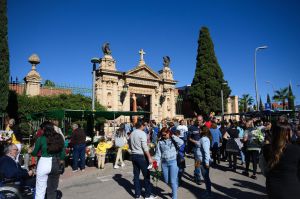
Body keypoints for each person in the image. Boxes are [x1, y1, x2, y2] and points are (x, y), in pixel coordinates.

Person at [262, 124, 300, 199]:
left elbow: (264, 168)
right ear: (288, 133)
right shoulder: (296, 149)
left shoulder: (266, 148)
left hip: (272, 185)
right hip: (292, 185)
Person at [30, 122, 65, 199]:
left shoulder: (41, 139)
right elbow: (63, 153)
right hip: (56, 163)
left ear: (44, 129)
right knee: (52, 189)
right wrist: (61, 161)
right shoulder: (59, 137)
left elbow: (35, 153)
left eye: (41, 129)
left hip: (44, 163)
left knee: (40, 190)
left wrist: (30, 152)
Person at [129, 119, 156, 199]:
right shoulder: (142, 133)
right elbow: (144, 147)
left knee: (136, 176)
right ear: (142, 126)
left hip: (134, 155)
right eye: (144, 125)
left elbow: (129, 144)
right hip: (141, 156)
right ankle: (147, 195)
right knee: (146, 176)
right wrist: (149, 157)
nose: (145, 126)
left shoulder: (132, 133)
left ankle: (137, 194)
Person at [154, 128, 183, 199]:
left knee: (172, 181)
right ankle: (175, 187)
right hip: (164, 163)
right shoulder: (160, 142)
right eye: (162, 135)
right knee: (167, 181)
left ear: (168, 133)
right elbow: (158, 154)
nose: (163, 136)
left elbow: (181, 142)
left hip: (173, 162)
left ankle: (174, 196)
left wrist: (172, 135)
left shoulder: (173, 140)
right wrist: (156, 164)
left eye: (165, 134)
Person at [199, 126, 212, 199]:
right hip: (202, 160)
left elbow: (206, 152)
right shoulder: (204, 139)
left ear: (202, 131)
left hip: (204, 161)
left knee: (206, 178)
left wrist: (206, 162)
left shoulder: (204, 139)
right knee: (206, 178)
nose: (199, 131)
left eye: (200, 130)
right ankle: (208, 192)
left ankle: (209, 194)